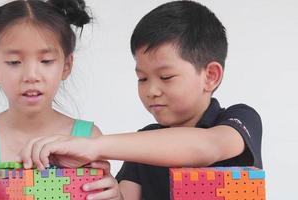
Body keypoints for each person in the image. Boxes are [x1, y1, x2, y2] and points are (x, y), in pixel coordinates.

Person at [20, 1, 262, 199]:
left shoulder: (239, 120)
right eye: (142, 78)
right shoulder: (143, 143)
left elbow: (206, 147)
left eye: (166, 77)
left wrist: (94, 145)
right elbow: (126, 195)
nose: (151, 90)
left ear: (210, 76)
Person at [0, 0, 121, 200]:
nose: (31, 75)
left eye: (46, 61)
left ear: (66, 66)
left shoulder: (88, 136)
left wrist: (116, 196)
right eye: (14, 62)